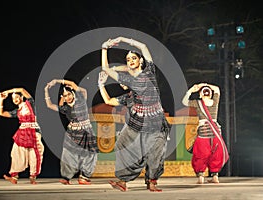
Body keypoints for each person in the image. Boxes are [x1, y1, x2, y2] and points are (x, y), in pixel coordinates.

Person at [100, 36, 171, 192]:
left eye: (133, 58)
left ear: (140, 61)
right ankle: (123, 181)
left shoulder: (150, 72)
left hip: (156, 121)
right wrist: (105, 48)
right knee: (121, 144)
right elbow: (106, 69)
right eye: (128, 59)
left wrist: (122, 39)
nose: (130, 60)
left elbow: (144, 46)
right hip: (137, 121)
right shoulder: (129, 82)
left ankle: (152, 181)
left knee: (155, 152)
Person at [44, 79, 99, 185]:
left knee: (90, 153)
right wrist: (46, 90)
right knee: (68, 154)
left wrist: (57, 81)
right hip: (72, 133)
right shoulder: (65, 108)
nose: (67, 97)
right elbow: (49, 105)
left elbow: (73, 84)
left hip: (86, 131)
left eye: (69, 94)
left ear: (73, 94)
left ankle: (84, 177)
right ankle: (66, 177)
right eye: (65, 96)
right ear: (63, 98)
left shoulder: (81, 100)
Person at [182, 83, 229, 184]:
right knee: (215, 154)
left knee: (200, 155)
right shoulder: (214, 102)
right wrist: (206, 85)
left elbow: (184, 102)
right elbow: (217, 89)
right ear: (211, 94)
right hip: (215, 131)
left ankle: (200, 177)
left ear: (200, 95)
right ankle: (215, 176)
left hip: (203, 131)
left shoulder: (197, 103)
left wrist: (191, 90)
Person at [0, 87, 44, 184]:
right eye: (13, 98)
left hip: (34, 132)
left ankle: (33, 177)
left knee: (34, 154)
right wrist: (1, 99)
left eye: (17, 97)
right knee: (15, 153)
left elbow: (22, 89)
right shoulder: (17, 111)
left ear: (22, 97)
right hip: (22, 133)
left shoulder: (30, 104)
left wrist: (8, 91)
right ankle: (14, 177)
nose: (15, 99)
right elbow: (1, 113)